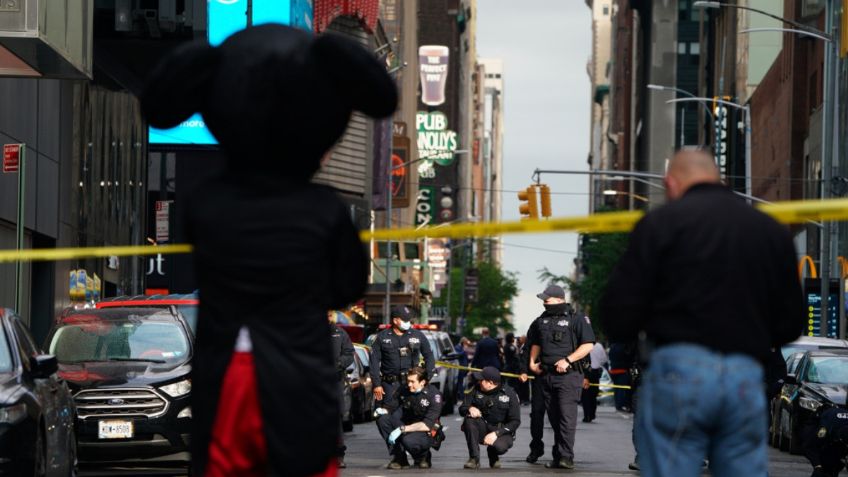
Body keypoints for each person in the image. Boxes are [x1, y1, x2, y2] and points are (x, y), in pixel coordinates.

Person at [141, 24, 397, 477]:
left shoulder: (208, 203)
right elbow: (347, 286)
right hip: (298, 370)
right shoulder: (324, 209)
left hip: (227, 371)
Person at [600, 148, 806, 477]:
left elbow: (618, 315)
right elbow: (791, 321)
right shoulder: (769, 230)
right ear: (720, 179)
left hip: (676, 369)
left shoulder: (659, 225)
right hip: (745, 373)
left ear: (671, 183)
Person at [528, 284, 595, 469]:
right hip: (547, 375)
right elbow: (535, 342)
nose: (544, 303)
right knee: (555, 417)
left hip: (569, 375)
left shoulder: (577, 319)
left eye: (547, 300)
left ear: (559, 300)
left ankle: (566, 456)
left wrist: (568, 360)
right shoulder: (541, 320)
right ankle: (558, 456)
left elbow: (588, 345)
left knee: (566, 416)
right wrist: (532, 362)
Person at [375, 367, 444, 469]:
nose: (409, 384)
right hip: (407, 424)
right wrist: (383, 411)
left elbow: (427, 425)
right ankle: (400, 457)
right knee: (383, 419)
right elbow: (392, 406)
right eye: (408, 381)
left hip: (424, 430)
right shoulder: (404, 390)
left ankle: (423, 456)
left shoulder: (434, 396)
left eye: (412, 382)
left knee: (408, 440)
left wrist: (402, 429)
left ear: (422, 382)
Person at [370, 305, 436, 409]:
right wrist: (376, 384)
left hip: (412, 384)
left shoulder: (418, 336)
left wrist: (426, 378)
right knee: (384, 417)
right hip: (389, 385)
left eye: (409, 320)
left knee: (413, 414)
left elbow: (429, 356)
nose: (408, 322)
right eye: (405, 320)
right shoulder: (382, 337)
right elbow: (373, 361)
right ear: (395, 320)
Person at [460, 366, 521, 469]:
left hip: (501, 430)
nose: (479, 382)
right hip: (483, 426)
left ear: (491, 383)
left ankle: (493, 455)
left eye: (482, 380)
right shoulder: (476, 389)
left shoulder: (509, 394)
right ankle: (474, 458)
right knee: (469, 420)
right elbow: (462, 408)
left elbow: (515, 421)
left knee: (499, 447)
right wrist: (469, 408)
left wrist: (496, 434)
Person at [329, 312, 354, 468]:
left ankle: (338, 455)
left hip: (335, 381)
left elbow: (349, 353)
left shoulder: (340, 333)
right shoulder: (308, 331)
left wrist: (339, 364)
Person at [519, 323, 547, 463]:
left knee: (561, 416)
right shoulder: (538, 323)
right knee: (536, 414)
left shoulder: (573, 320)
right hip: (540, 376)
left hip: (563, 377)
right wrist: (524, 370)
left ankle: (562, 451)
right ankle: (536, 447)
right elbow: (527, 349)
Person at [803, 403, 848, 477]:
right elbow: (809, 447)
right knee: (823, 469)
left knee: (834, 465)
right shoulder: (825, 429)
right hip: (822, 436)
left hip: (837, 440)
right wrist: (817, 466)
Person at [581, 341, 608, 423]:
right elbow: (604, 359)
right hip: (595, 372)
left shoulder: (583, 345)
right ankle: (592, 414)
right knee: (593, 395)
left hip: (586, 371)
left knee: (585, 395)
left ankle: (587, 415)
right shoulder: (599, 346)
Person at [607, 342, 634, 412]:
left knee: (616, 389)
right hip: (622, 370)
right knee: (621, 389)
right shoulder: (624, 346)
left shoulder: (612, 346)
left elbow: (609, 356)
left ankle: (617, 405)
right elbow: (628, 357)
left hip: (613, 370)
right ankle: (620, 405)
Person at [454, 337, 471, 402]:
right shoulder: (458, 347)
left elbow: (465, 358)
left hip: (464, 368)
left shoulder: (462, 348)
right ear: (463, 342)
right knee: (460, 383)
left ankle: (461, 395)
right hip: (460, 368)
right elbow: (458, 355)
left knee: (462, 382)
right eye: (465, 343)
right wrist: (464, 351)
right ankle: (461, 396)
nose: (466, 345)